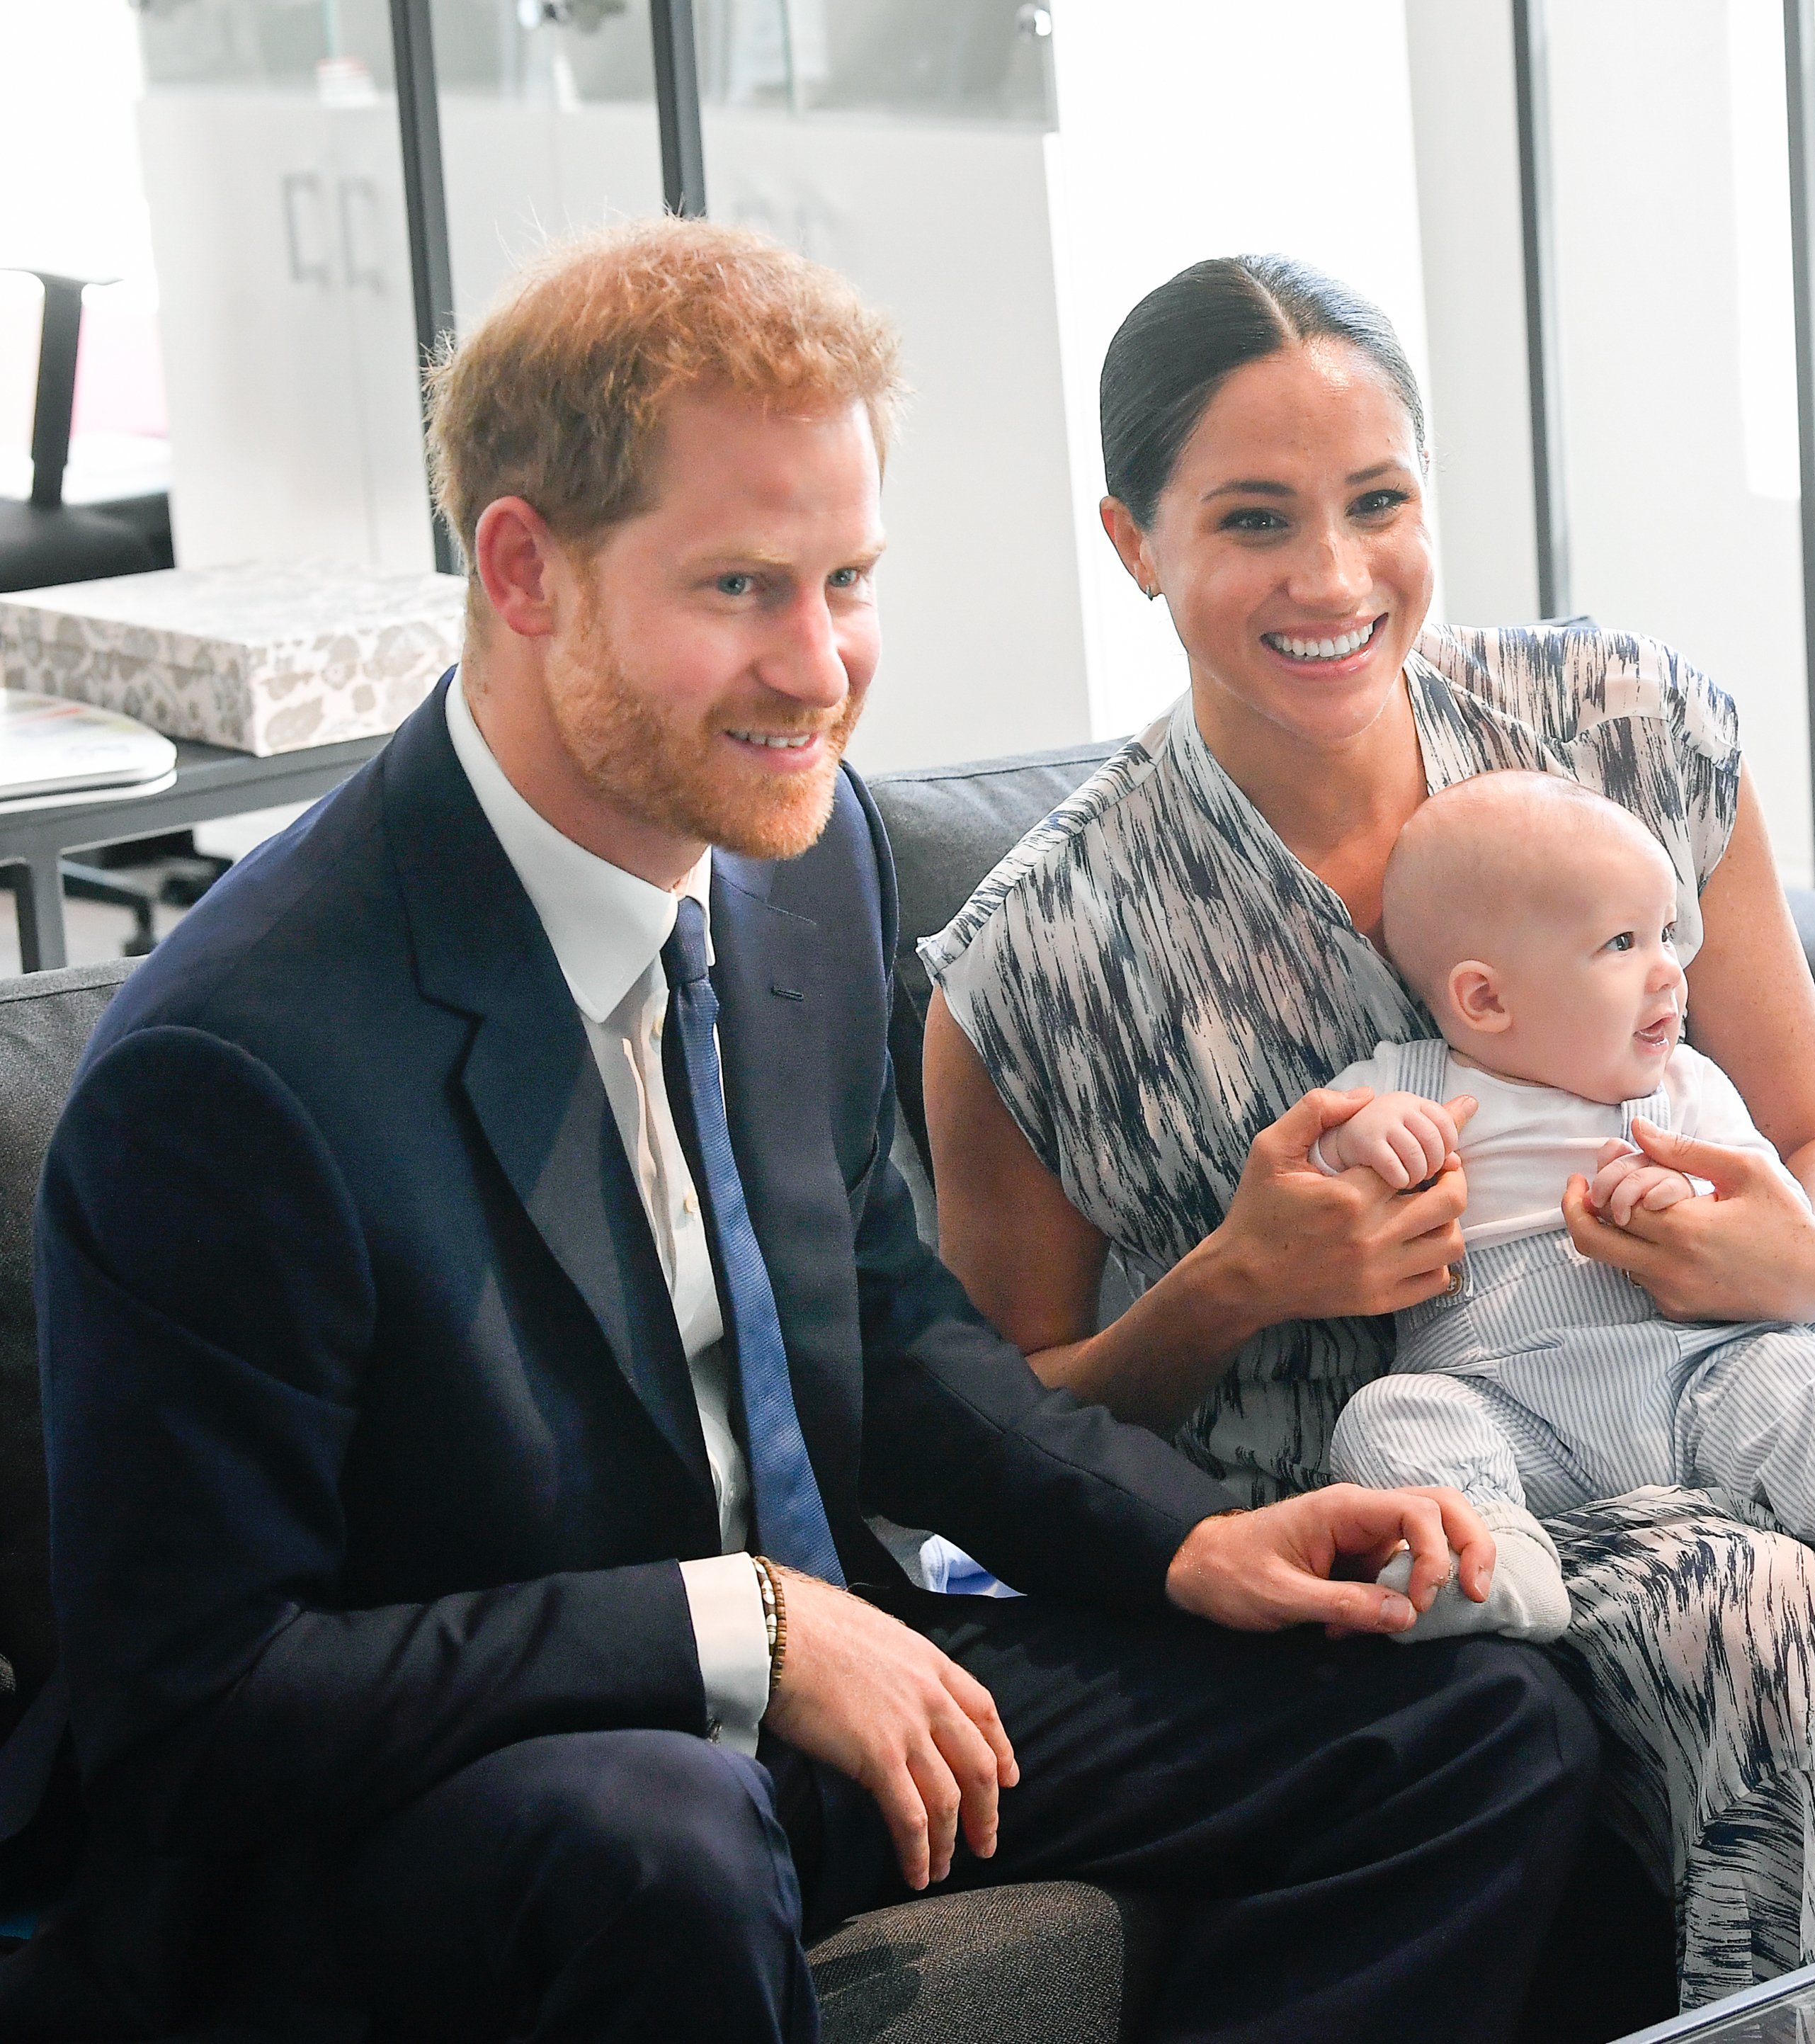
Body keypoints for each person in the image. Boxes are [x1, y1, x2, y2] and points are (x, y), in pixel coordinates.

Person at [0, 222, 1602, 2044]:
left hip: (819, 1681)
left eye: (848, 577)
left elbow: (890, 1318)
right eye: (743, 587)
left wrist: (1180, 1542)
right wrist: (731, 1625)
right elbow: (197, 1705)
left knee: (1467, 1726)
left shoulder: (801, 865)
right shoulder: (235, 1066)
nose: (821, 665)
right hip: (470, 1804)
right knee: (661, 1837)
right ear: (523, 569)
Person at [920, 251, 1815, 2005]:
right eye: (1252, 520)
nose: (1331, 578)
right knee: (1759, 1624)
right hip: (1435, 1521)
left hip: (1732, 1398)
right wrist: (1229, 1287)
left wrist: (1811, 1246)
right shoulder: (1035, 960)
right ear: (1130, 542)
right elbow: (992, 1441)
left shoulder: (1620, 731)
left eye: (1377, 502)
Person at [1312, 770, 1815, 1639]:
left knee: (1804, 1380)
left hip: (1699, 1379)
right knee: (1390, 1418)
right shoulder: (1409, 1084)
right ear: (1485, 999)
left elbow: (1771, 1214)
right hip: (1507, 1403)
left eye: (1669, 934)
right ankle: (1495, 1560)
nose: (1670, 972)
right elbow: (1306, 1160)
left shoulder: (1686, 1088)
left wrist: (1687, 1198)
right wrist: (1362, 1140)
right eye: (1622, 943)